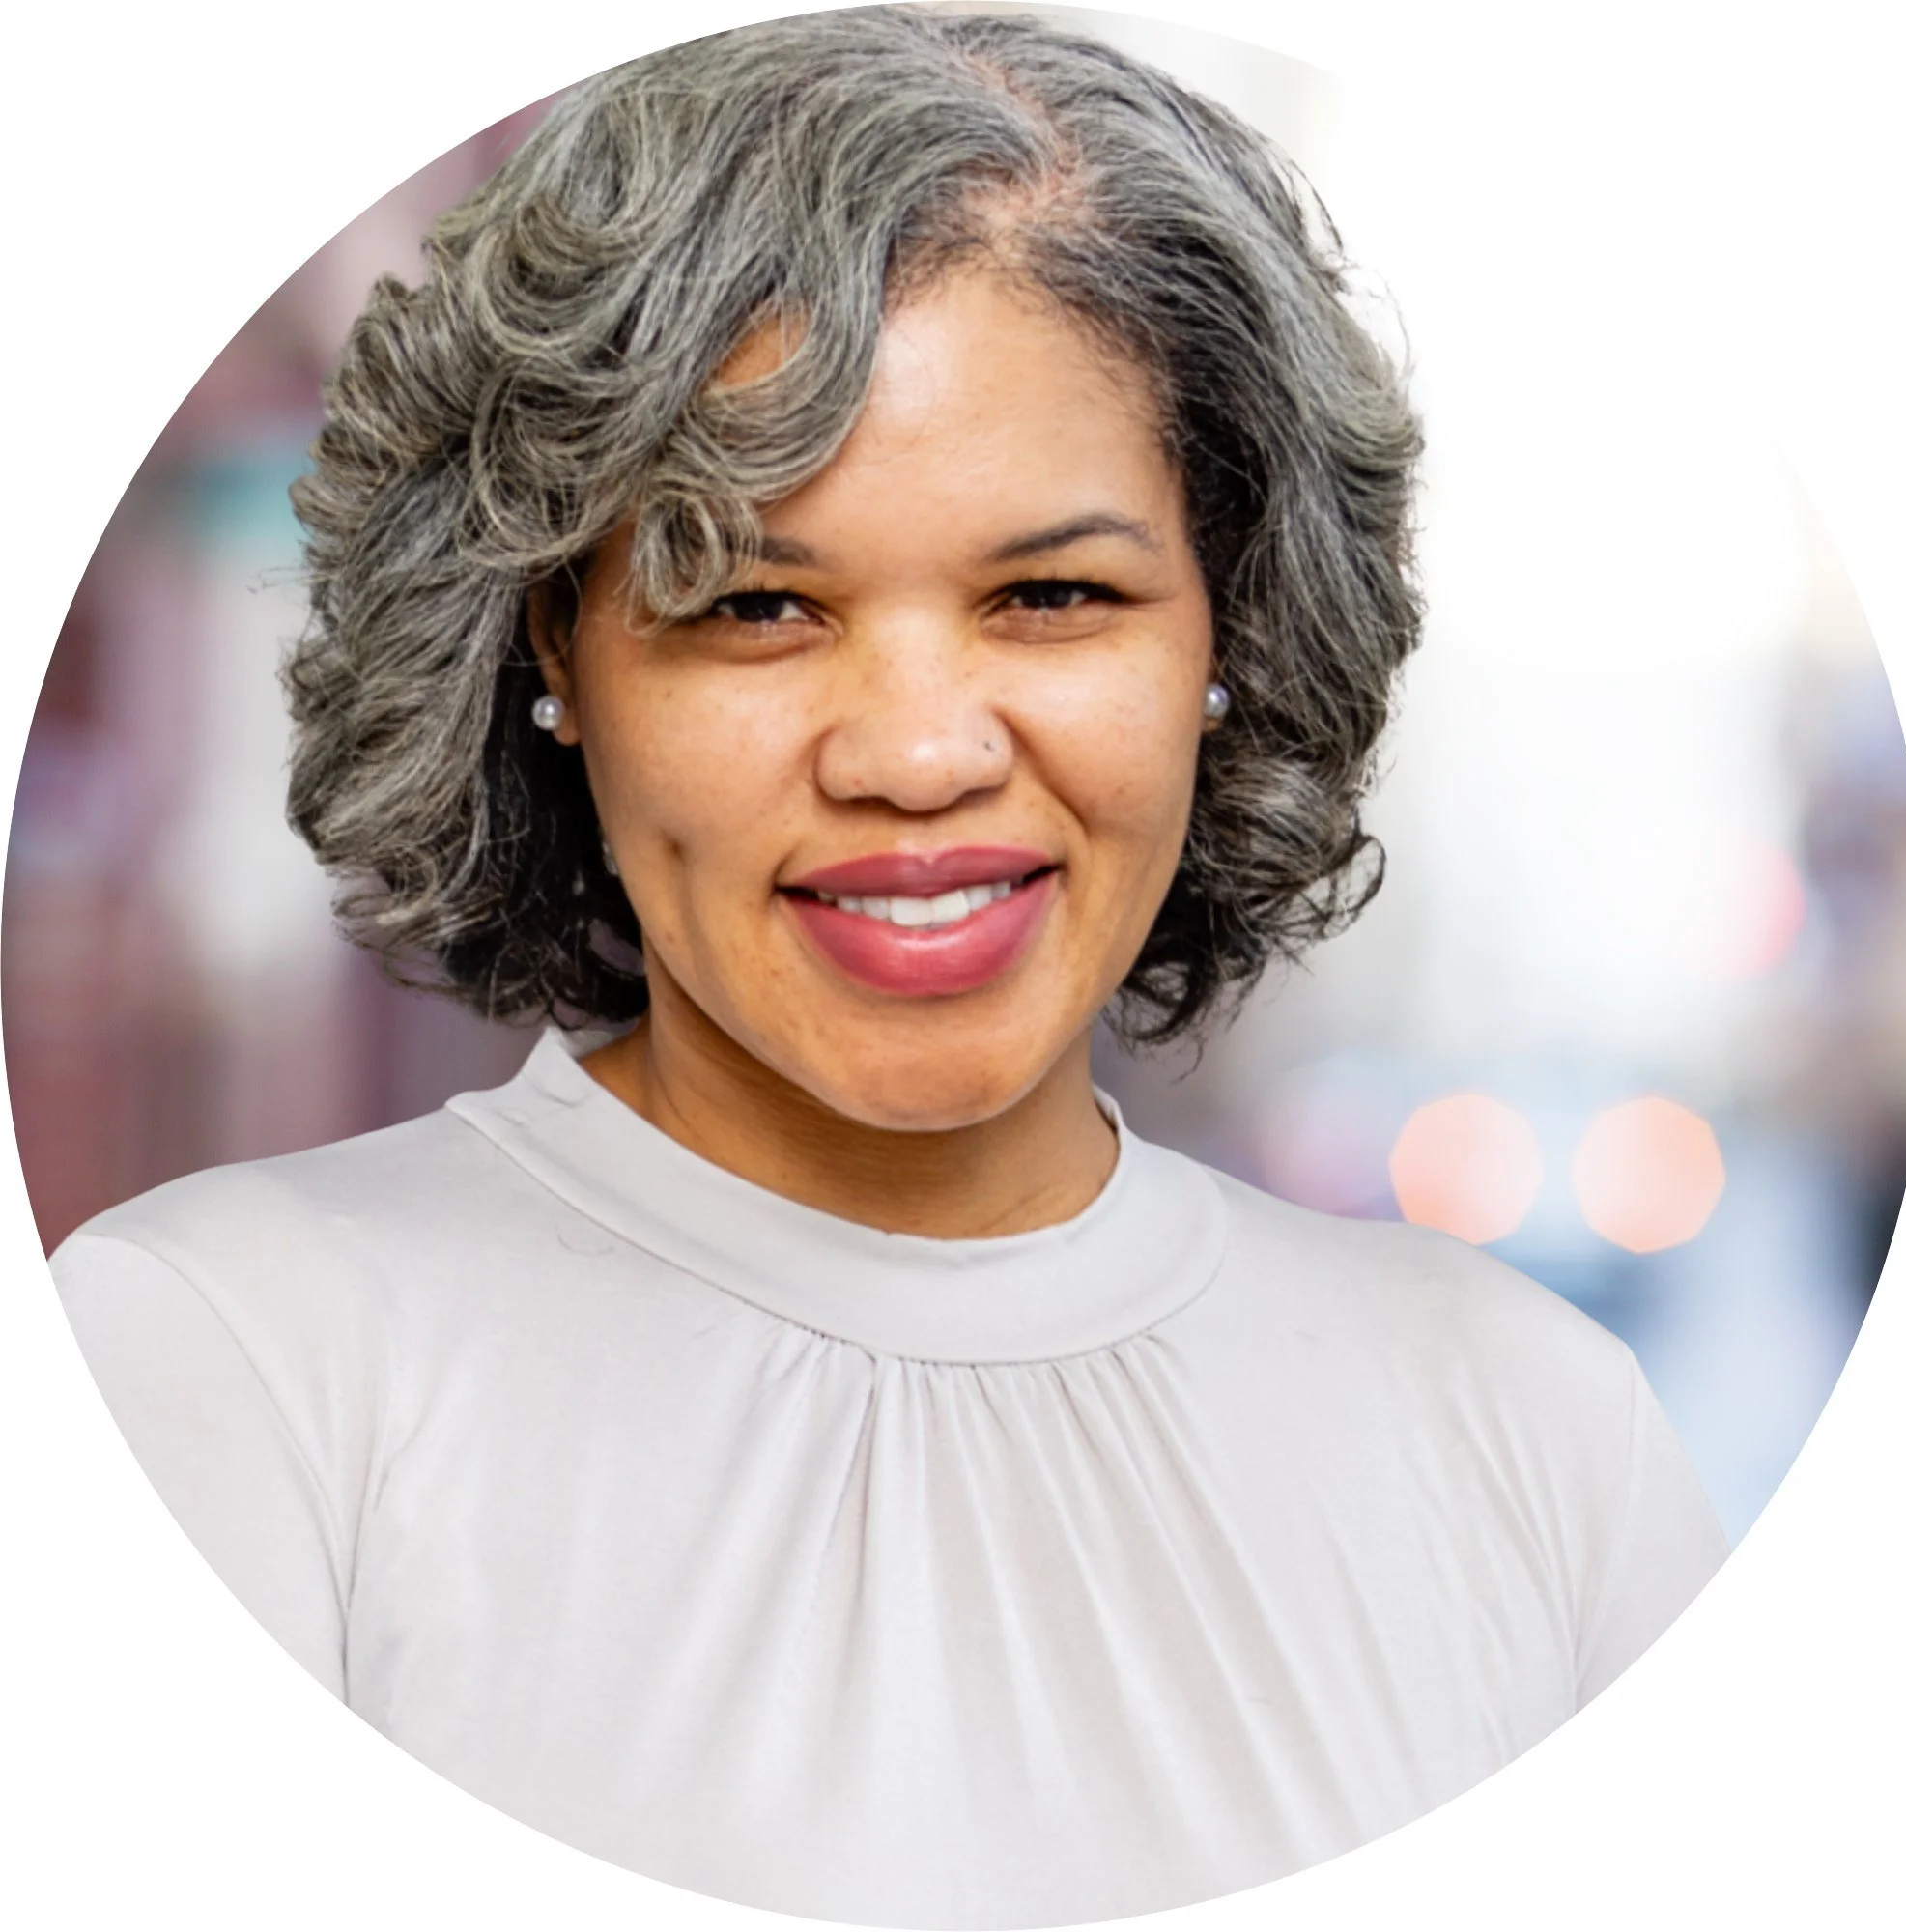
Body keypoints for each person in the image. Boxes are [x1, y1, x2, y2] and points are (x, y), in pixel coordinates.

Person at [49, 9, 1727, 1925]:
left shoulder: (1535, 1439)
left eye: (1053, 595)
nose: (917, 752)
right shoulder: (225, 1374)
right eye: (754, 602)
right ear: (555, 657)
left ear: (1225, 635)